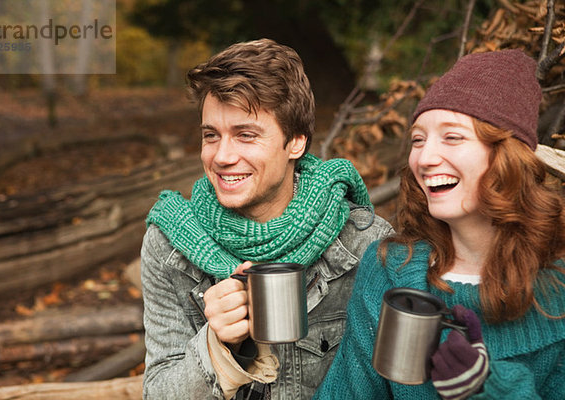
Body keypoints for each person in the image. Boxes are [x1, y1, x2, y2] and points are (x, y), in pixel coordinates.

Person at [140, 38, 393, 399]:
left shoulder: (363, 244)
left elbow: (396, 384)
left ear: (296, 142)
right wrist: (217, 346)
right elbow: (159, 394)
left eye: (246, 135)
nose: (222, 156)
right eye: (211, 136)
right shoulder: (169, 243)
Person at [314, 49, 565, 399]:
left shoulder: (558, 290)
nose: (426, 158)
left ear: (507, 157)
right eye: (418, 139)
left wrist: (487, 387)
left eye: (452, 137)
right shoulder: (389, 268)